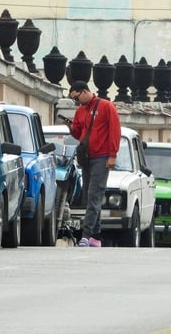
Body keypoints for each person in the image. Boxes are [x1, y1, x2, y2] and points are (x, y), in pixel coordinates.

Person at [65, 81, 121, 247]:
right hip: (87, 157)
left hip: (102, 157)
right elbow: (79, 133)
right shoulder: (80, 111)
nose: (77, 102)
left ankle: (86, 234)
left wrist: (112, 155)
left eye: (77, 98)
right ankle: (96, 236)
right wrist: (70, 127)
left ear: (83, 92)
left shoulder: (106, 106)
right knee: (90, 195)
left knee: (94, 195)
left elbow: (114, 131)